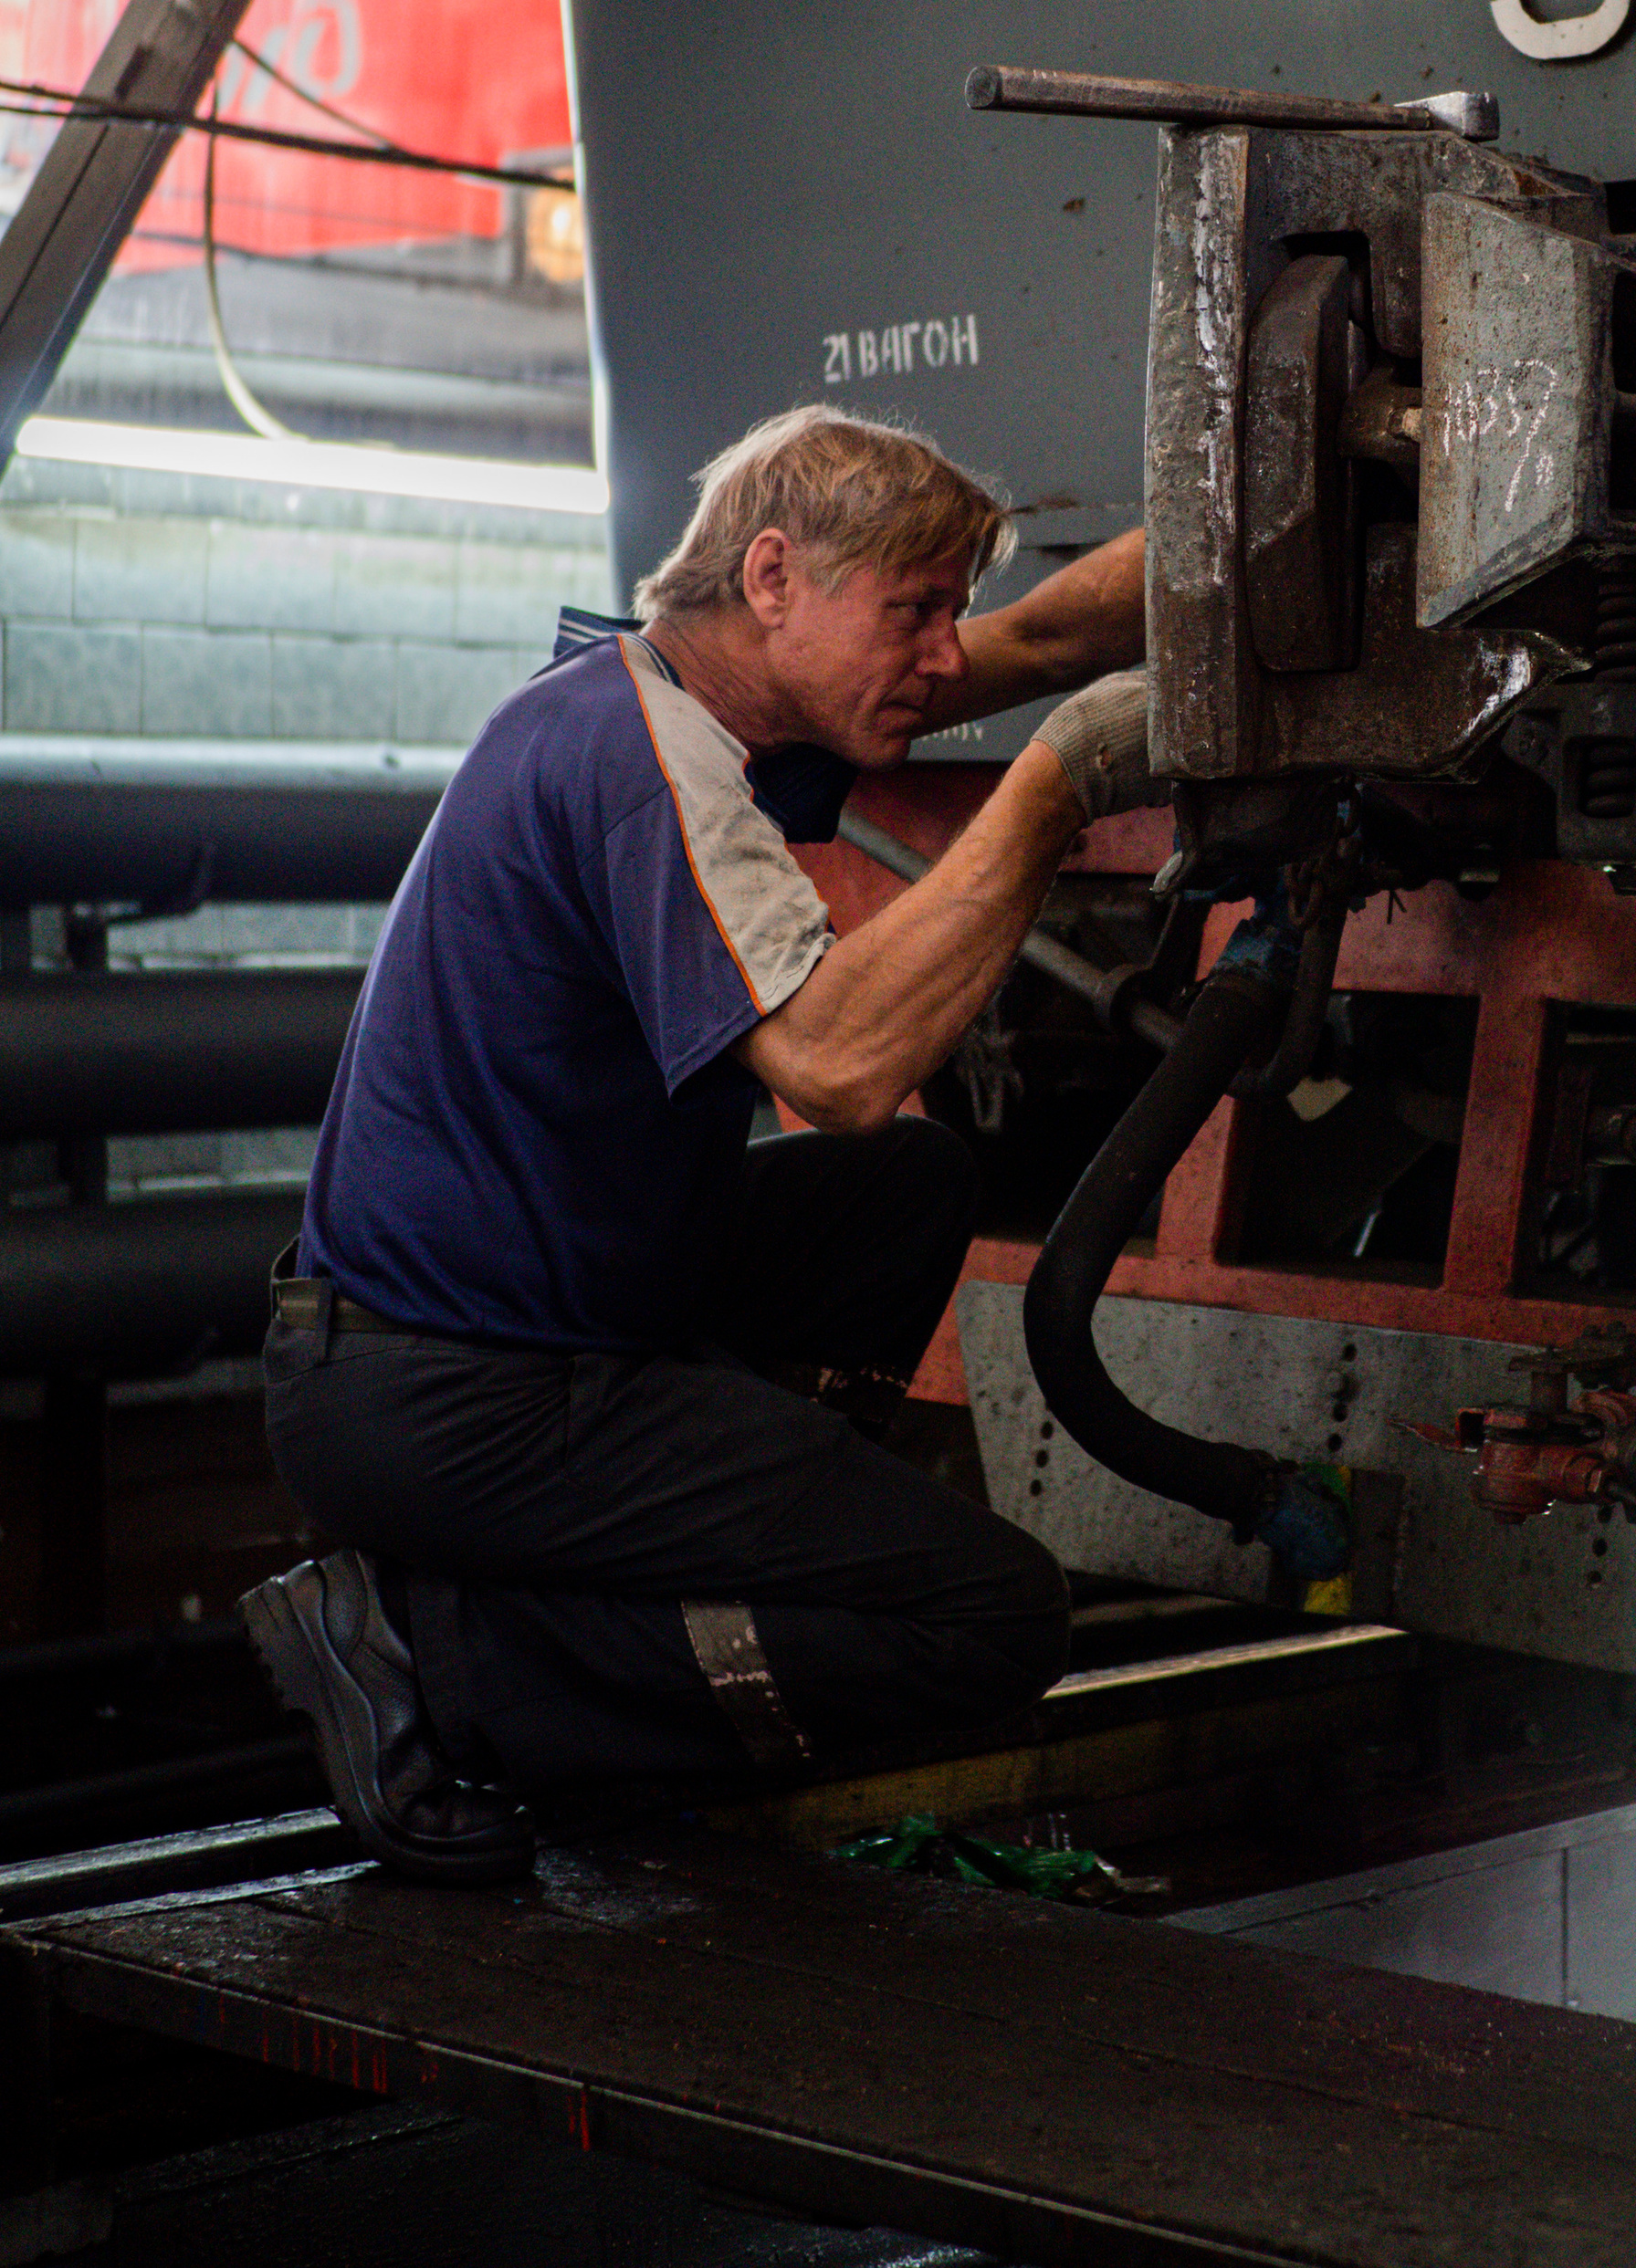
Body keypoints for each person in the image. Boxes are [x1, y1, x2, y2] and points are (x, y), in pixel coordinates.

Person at [240, 407, 1155, 1884]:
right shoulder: (640, 753)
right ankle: (429, 1650)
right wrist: (1053, 791)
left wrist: (1240, 548)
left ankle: (715, 1561)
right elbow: (839, 1066)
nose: (943, 655)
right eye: (915, 612)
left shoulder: (675, 692)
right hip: (453, 1387)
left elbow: (1046, 641)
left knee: (906, 1187)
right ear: (776, 575)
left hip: (537, 1320)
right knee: (993, 1619)